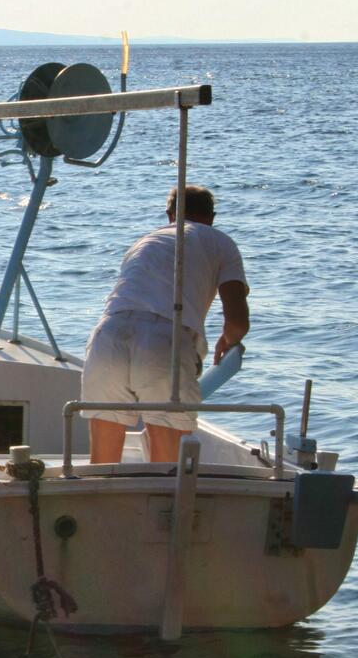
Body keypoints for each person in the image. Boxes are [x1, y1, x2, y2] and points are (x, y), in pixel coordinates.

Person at [81, 185, 249, 463]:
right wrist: (228, 342)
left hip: (108, 335)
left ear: (170, 215)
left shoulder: (144, 241)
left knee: (102, 465)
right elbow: (238, 321)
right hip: (164, 341)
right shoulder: (221, 242)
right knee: (168, 469)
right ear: (212, 217)